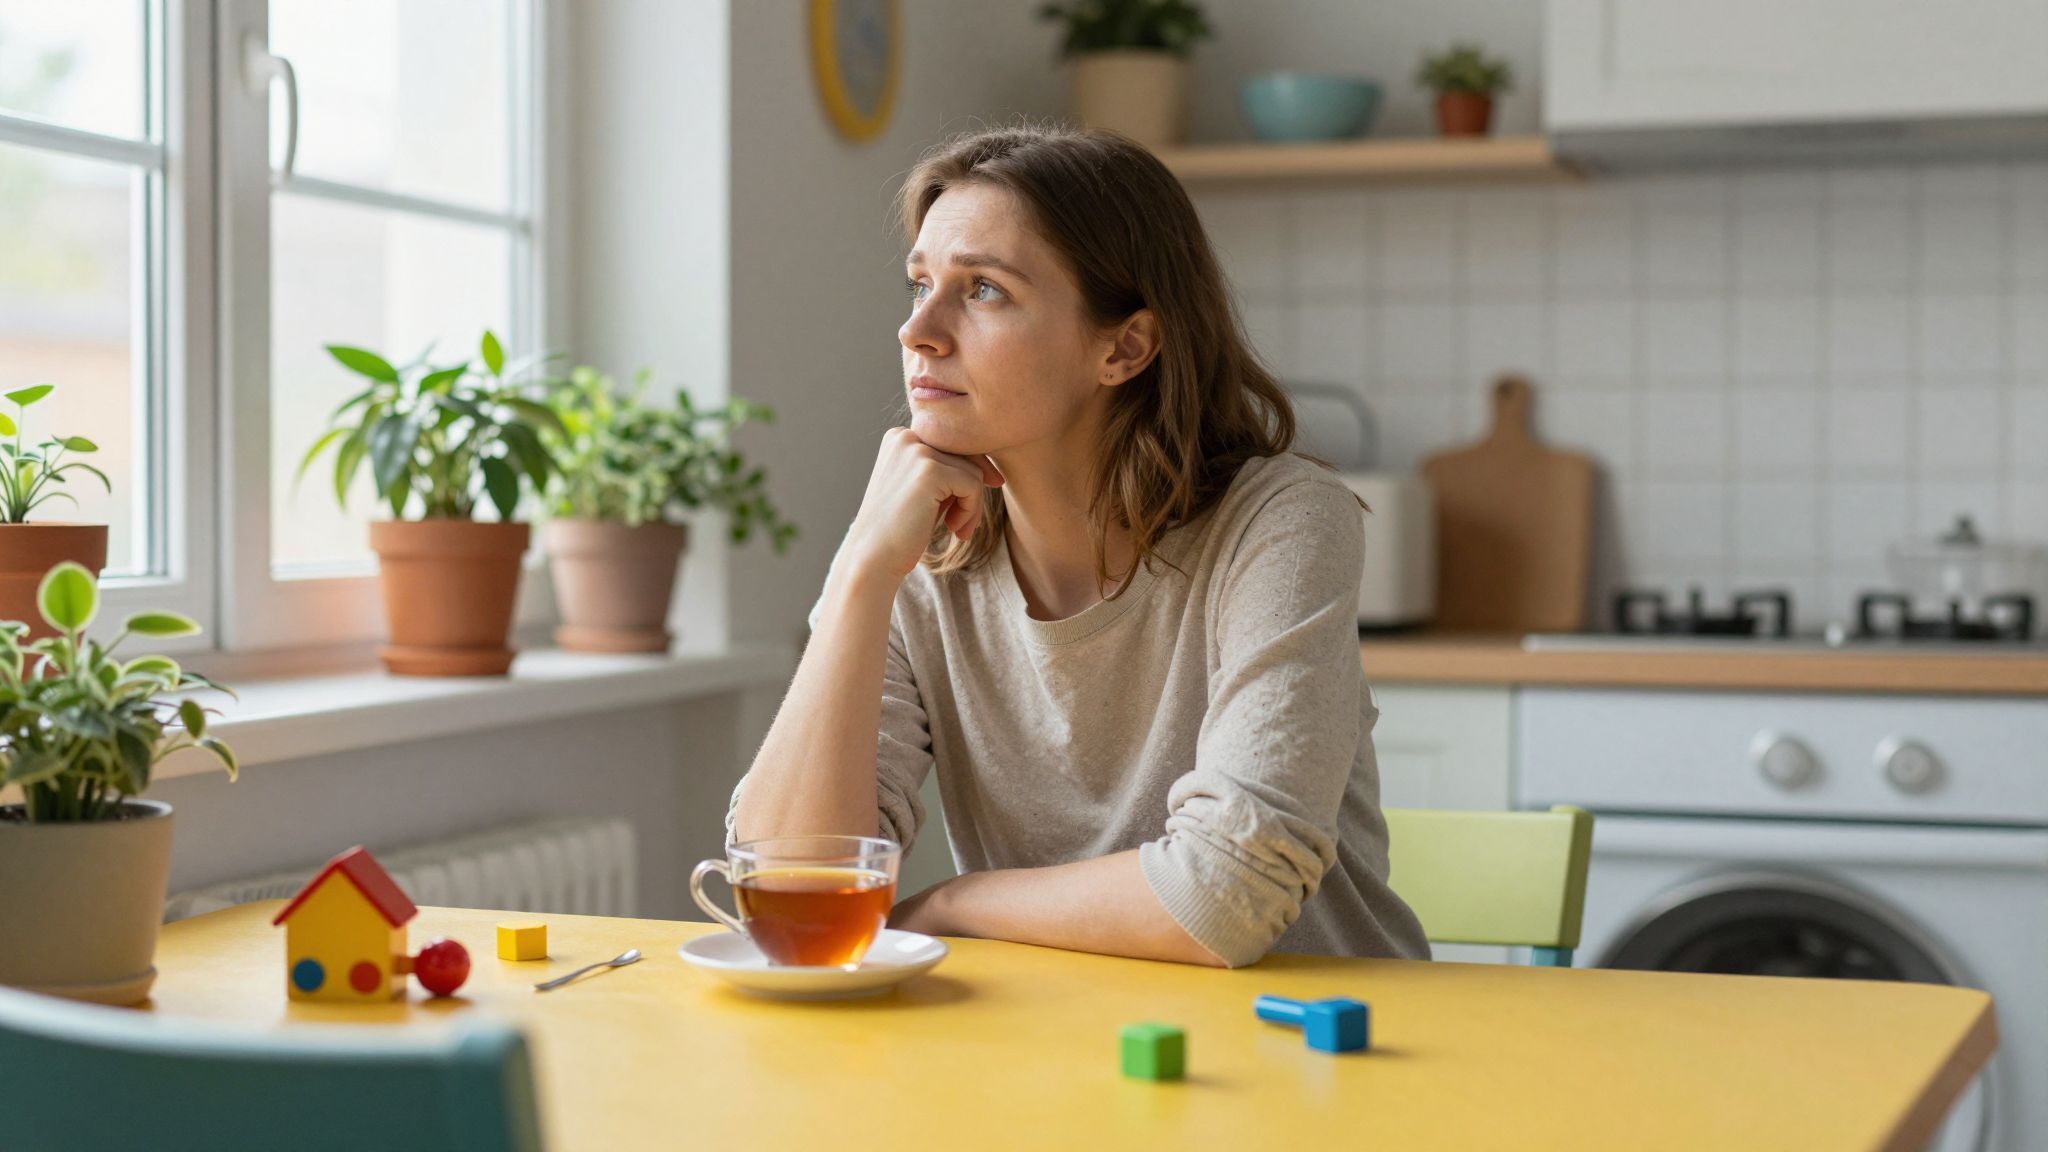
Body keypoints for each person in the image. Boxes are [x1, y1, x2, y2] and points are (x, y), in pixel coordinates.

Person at [727, 122, 1427, 968]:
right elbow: (791, 888)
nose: (920, 331)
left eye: (983, 290)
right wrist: (859, 573)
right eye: (921, 285)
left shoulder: (1280, 521)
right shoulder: (921, 557)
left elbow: (1227, 894)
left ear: (1125, 346)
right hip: (1055, 1052)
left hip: (1316, 1049)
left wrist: (953, 900)